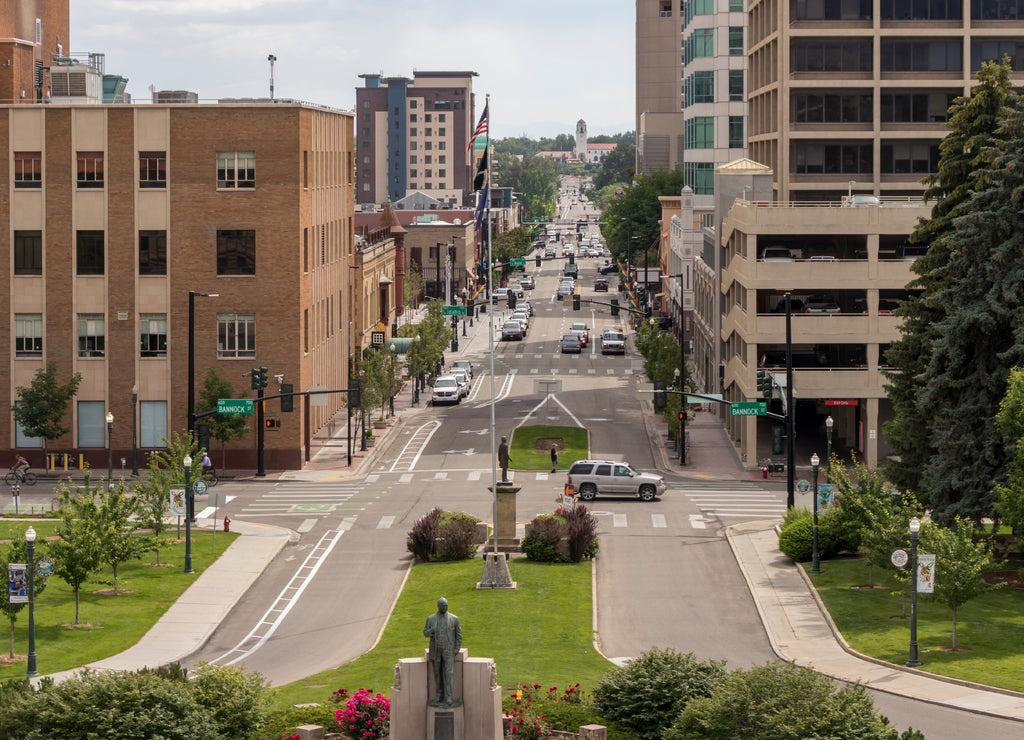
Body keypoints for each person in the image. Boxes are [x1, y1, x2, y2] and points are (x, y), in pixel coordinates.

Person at [423, 596, 462, 707]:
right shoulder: (431, 619)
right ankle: (439, 695)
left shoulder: (454, 618)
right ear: (438, 606)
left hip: (448, 649)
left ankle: (448, 696)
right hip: (436, 650)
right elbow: (425, 633)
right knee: (437, 673)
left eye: (446, 606)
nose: (445, 608)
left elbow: (459, 635)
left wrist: (456, 649)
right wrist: (431, 630)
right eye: (443, 606)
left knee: (449, 673)